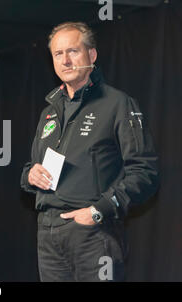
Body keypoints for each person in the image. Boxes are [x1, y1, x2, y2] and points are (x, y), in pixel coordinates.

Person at [20, 22, 159, 281]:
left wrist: (98, 211)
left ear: (91, 55)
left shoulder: (117, 104)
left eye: (73, 51)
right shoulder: (49, 112)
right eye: (58, 54)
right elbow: (32, 167)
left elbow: (145, 173)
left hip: (94, 232)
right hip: (49, 232)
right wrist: (30, 176)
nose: (66, 60)